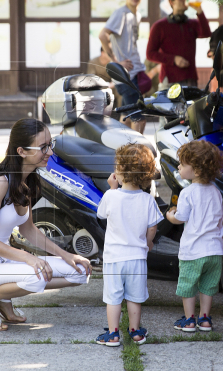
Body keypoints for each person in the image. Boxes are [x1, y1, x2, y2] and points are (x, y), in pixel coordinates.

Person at [0, 118, 92, 332]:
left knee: (80, 272)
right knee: (36, 276)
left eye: (51, 144)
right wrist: (28, 258)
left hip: (5, 264)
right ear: (21, 151)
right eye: (43, 147)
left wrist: (67, 255)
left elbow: (28, 229)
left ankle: (4, 300)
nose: (50, 151)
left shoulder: (29, 180)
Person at [95, 143, 163, 346]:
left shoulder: (111, 196)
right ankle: (135, 332)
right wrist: (148, 242)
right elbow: (152, 228)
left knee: (113, 298)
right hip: (137, 259)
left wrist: (112, 188)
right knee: (134, 297)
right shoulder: (148, 200)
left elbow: (100, 215)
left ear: (121, 172)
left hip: (114, 259)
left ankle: (113, 334)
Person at [165, 140, 223, 333]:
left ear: (197, 171)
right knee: (208, 287)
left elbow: (180, 218)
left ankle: (190, 320)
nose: (179, 167)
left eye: (182, 164)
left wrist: (170, 215)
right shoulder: (217, 192)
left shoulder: (188, 192)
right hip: (215, 251)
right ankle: (205, 319)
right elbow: (219, 219)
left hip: (193, 251)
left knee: (188, 286)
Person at [99, 0, 147, 134]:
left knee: (126, 118)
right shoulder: (121, 14)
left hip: (133, 73)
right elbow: (102, 35)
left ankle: (120, 153)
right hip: (125, 76)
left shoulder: (137, 15)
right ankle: (138, 154)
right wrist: (116, 61)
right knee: (139, 118)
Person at [146, 0, 211, 88]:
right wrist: (174, 59)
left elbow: (207, 33)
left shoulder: (192, 23)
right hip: (169, 80)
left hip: (191, 79)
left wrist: (199, 11)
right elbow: (150, 54)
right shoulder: (159, 26)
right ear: (171, 2)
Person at [86, 47, 120, 115]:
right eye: (109, 53)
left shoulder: (112, 63)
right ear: (102, 53)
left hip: (110, 87)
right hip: (97, 87)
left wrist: (113, 83)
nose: (111, 55)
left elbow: (116, 77)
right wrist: (103, 85)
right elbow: (90, 79)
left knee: (120, 91)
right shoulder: (93, 62)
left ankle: (121, 113)